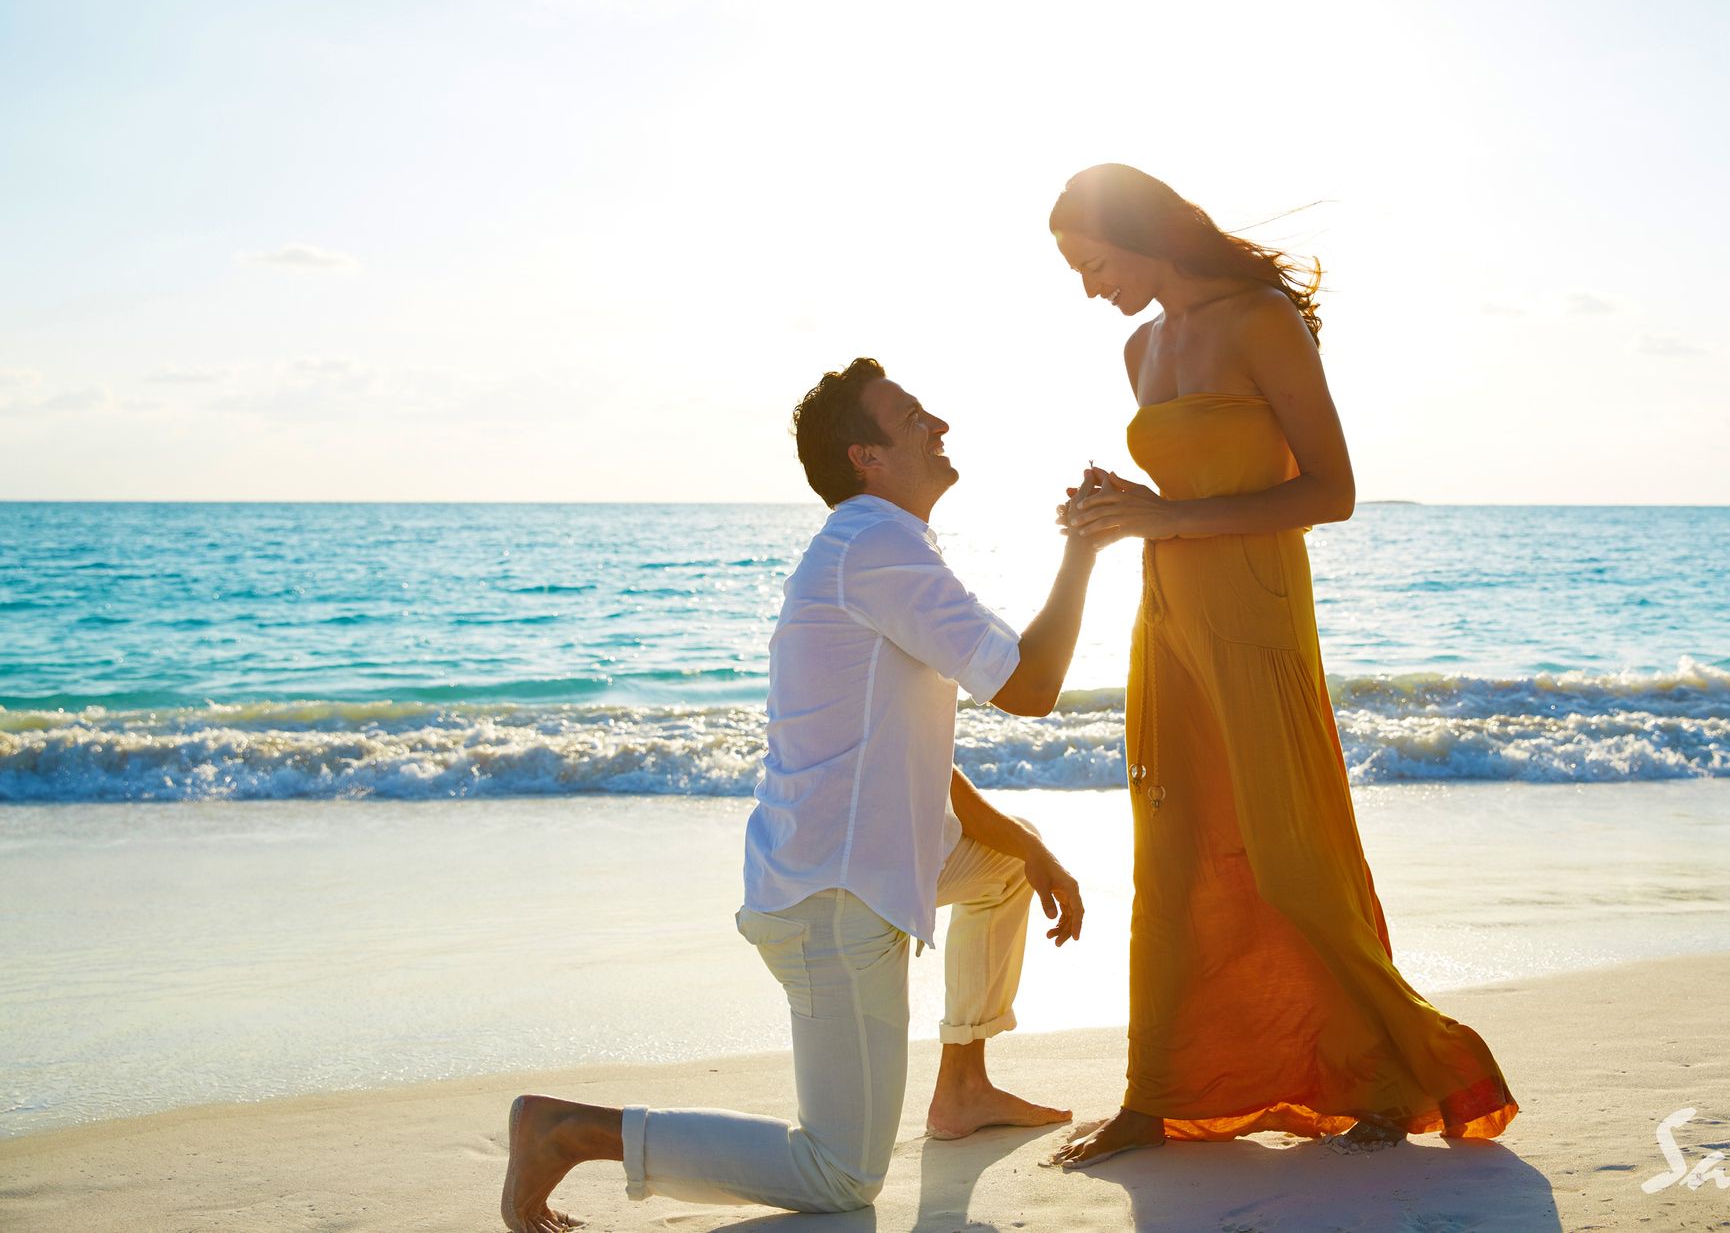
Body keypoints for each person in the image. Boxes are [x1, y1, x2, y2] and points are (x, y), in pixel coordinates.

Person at [501, 358, 1102, 1230]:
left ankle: (963, 1087)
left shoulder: (881, 543)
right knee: (841, 1175)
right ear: (867, 456)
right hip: (834, 899)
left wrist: (1026, 842)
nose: (939, 423)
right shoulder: (875, 545)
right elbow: (1032, 685)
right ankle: (571, 1132)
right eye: (912, 417)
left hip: (860, 861)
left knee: (1007, 861)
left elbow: (901, 739)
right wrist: (1084, 545)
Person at [1045, 164, 1518, 1167]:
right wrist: (1122, 505)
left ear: (1139, 234)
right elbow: (1189, 482)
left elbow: (1332, 490)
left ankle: (1390, 1070)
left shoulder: (1260, 319)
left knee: (1291, 857)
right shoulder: (1140, 346)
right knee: (1170, 854)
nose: (1090, 289)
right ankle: (1153, 1096)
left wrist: (1165, 514)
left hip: (1255, 617)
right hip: (1166, 616)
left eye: (1093, 263)